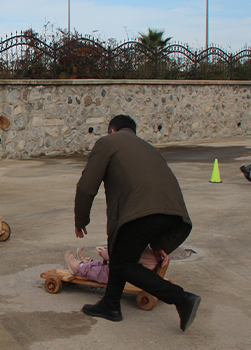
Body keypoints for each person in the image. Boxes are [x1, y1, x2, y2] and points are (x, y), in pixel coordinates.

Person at [74, 114, 201, 332]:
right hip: (172, 212)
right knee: (121, 254)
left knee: (123, 264)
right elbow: (153, 191)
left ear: (112, 130)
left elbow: (86, 186)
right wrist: (158, 244)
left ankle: (181, 298)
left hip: (141, 211)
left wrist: (80, 219)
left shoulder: (107, 143)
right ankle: (110, 305)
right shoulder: (147, 147)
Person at [65, 246, 164, 284]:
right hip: (145, 269)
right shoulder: (152, 247)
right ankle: (88, 263)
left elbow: (116, 256)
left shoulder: (137, 243)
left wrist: (103, 253)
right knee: (106, 265)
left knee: (104, 272)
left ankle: (80, 267)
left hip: (131, 274)